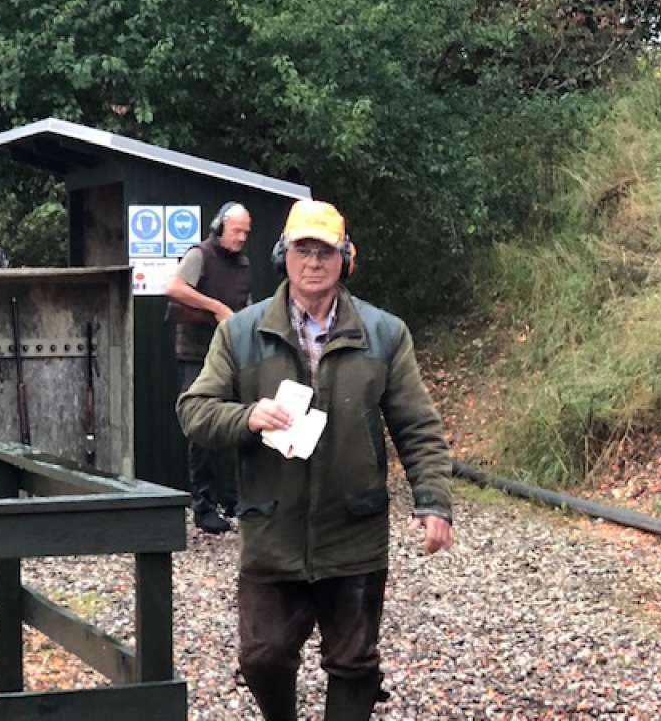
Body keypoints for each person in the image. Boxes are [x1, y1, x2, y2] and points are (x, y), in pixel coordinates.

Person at [176, 199, 454, 721]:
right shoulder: (240, 332)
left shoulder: (385, 333)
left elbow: (417, 424)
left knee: (353, 663)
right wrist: (247, 417)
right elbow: (194, 411)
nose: (313, 262)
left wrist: (433, 500)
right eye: (303, 249)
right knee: (262, 657)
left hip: (354, 531)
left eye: (325, 251)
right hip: (271, 529)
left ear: (345, 258)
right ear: (283, 255)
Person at [166, 200, 253, 534]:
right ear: (219, 227)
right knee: (202, 428)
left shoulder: (243, 264)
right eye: (236, 231)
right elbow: (174, 288)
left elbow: (244, 305)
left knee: (236, 424)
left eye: (246, 232)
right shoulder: (199, 255)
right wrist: (215, 307)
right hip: (197, 353)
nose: (241, 237)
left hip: (230, 354)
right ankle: (202, 506)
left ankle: (232, 498)